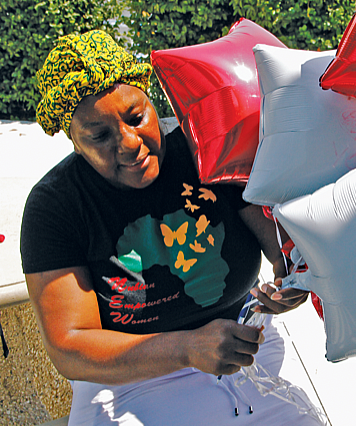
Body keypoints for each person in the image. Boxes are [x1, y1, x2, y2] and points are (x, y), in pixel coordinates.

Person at [21, 30, 320, 425]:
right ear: (74, 142)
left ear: (151, 100)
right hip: (129, 379)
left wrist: (294, 278)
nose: (129, 143)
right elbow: (69, 346)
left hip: (247, 339)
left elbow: (281, 249)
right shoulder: (56, 207)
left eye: (136, 117)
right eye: (100, 136)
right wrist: (185, 348)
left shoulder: (202, 144)